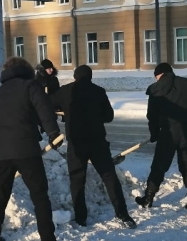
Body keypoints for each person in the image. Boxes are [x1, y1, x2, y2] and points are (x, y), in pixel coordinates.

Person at [0, 57, 62, 241]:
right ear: (26, 71)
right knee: (39, 196)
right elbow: (44, 110)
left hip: (0, 152)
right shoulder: (30, 86)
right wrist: (53, 133)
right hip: (25, 150)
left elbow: (5, 117)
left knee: (0, 195)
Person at [51, 65, 136, 229]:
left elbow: (50, 104)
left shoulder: (65, 91)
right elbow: (109, 116)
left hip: (76, 143)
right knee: (109, 177)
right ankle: (122, 214)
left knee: (77, 180)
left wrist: (64, 109)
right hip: (97, 142)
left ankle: (81, 218)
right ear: (90, 77)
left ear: (75, 76)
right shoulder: (99, 91)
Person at [135, 63, 187, 211]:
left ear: (160, 75)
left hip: (167, 134)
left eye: (157, 76)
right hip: (186, 132)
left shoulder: (156, 89)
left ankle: (148, 199)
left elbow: (151, 116)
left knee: (159, 166)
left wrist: (154, 133)